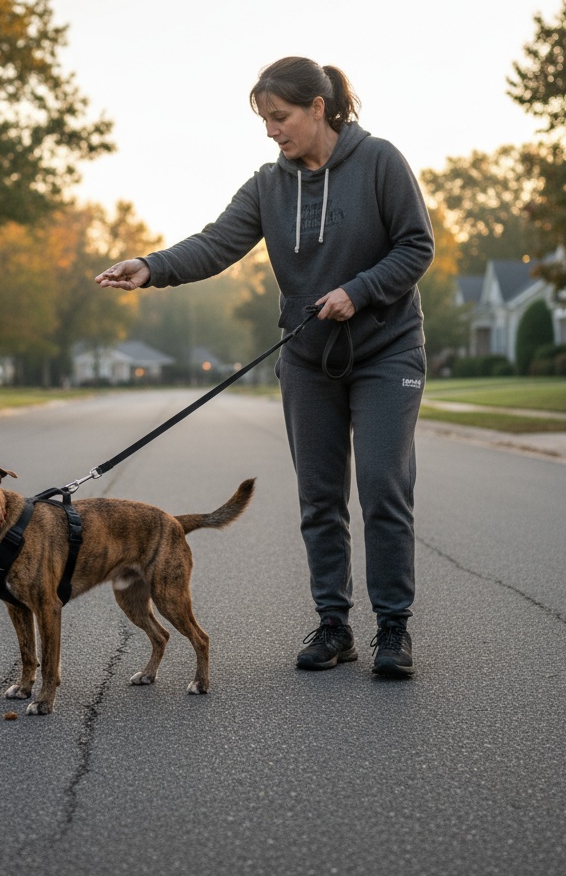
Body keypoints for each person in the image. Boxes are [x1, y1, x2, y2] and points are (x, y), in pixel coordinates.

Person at [96, 56, 434, 678]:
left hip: (387, 350)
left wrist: (358, 291)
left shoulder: (380, 161)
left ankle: (394, 629)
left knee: (384, 486)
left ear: (318, 108)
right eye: (264, 121)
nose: (272, 131)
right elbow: (217, 242)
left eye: (280, 118)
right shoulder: (269, 185)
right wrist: (152, 266)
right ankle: (334, 625)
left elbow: (418, 244)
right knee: (319, 497)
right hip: (308, 356)